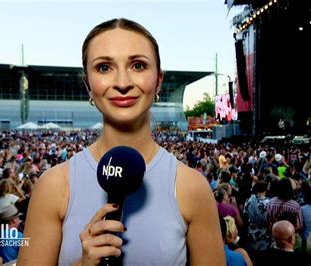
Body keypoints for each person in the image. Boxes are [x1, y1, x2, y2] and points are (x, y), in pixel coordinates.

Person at [18, 18, 225, 265]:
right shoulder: (53, 186)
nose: (123, 83)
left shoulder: (193, 188)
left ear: (158, 80)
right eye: (104, 67)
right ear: (87, 84)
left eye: (138, 65)